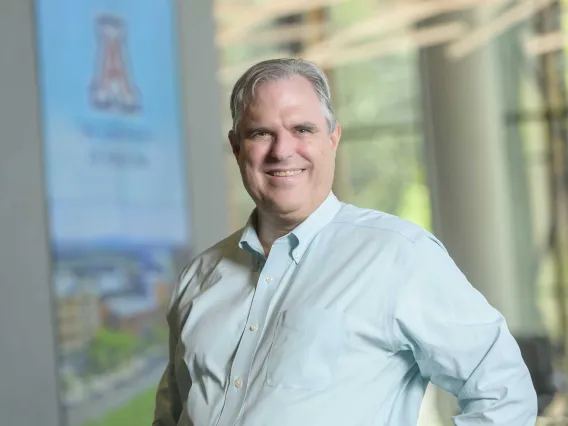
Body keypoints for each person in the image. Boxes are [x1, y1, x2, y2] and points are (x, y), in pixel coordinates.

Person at [153, 58, 537, 426]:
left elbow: (502, 392)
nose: (282, 150)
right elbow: (170, 416)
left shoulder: (398, 256)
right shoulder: (199, 276)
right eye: (260, 133)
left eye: (302, 129)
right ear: (237, 147)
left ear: (333, 138)